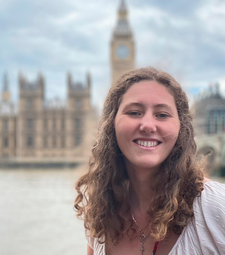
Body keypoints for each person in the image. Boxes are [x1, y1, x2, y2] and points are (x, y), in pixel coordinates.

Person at [74, 67, 225, 255]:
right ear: (111, 123)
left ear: (181, 128)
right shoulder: (99, 214)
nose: (147, 125)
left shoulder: (215, 207)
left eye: (162, 114)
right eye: (134, 112)